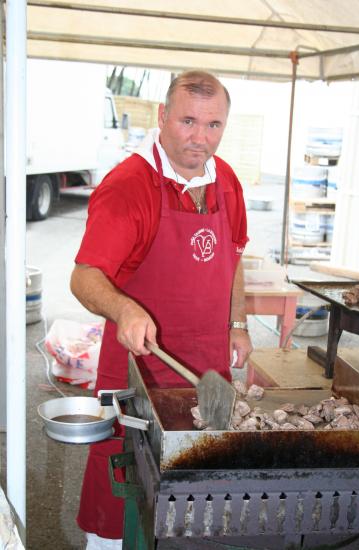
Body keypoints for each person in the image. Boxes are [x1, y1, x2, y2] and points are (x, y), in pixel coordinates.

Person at [70, 70, 253, 549]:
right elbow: (84, 276)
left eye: (213, 125)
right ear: (162, 116)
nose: (200, 137)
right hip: (138, 372)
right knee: (124, 503)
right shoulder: (128, 185)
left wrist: (237, 323)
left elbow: (233, 256)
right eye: (188, 121)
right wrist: (122, 306)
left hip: (206, 372)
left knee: (201, 505)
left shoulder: (226, 180)